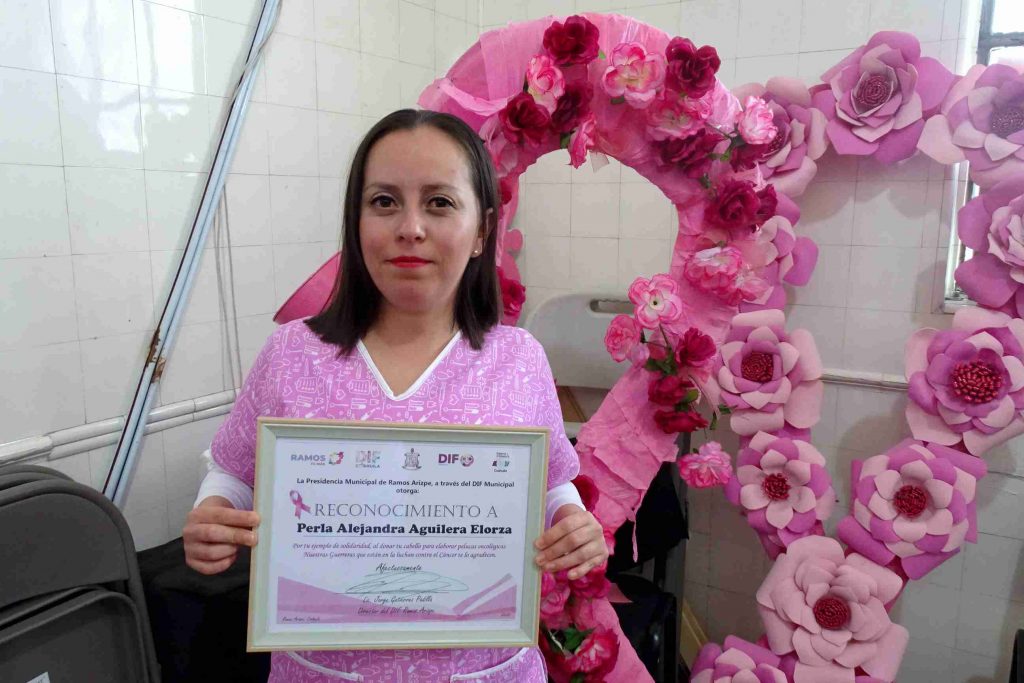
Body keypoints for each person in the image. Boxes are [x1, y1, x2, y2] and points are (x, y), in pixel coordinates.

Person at [181, 109, 608, 682]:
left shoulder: (518, 359)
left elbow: (551, 482)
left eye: (439, 202)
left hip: (484, 667)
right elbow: (233, 471)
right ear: (355, 222)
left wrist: (572, 523)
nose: (410, 228)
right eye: (384, 201)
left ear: (483, 231)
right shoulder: (292, 354)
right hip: (322, 669)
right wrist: (213, 513)